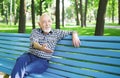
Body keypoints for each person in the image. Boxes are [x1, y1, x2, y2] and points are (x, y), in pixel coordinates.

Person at [11, 13, 80, 78]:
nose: (47, 24)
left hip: (42, 61)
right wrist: (41, 48)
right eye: (44, 22)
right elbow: (34, 43)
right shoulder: (35, 31)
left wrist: (74, 34)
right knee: (20, 60)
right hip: (29, 56)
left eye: (49, 21)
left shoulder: (57, 33)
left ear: (51, 22)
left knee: (25, 70)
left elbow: (72, 31)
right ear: (39, 24)